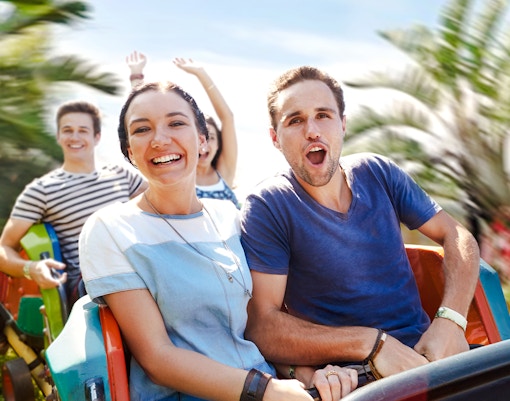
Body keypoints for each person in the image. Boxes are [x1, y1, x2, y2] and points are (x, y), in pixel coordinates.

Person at [78, 81, 358, 401]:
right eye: (142, 130)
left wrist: (304, 373)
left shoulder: (230, 216)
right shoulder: (109, 229)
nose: (159, 139)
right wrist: (265, 390)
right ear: (129, 150)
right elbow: (156, 357)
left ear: (202, 140)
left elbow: (254, 325)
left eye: (176, 123)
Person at [240, 66, 480, 383]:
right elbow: (262, 326)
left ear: (342, 124)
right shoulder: (268, 205)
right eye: (295, 120)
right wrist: (370, 343)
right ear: (275, 137)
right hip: (353, 377)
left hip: (429, 354)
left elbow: (456, 235)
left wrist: (450, 321)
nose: (312, 130)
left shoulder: (378, 171)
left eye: (323, 115)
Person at [0, 100, 147, 308]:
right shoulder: (41, 190)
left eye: (83, 130)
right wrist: (31, 268)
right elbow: (3, 248)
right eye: (68, 130)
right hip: (89, 284)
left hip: (137, 268)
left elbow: (163, 203)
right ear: (59, 136)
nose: (75, 137)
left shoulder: (123, 175)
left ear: (96, 137)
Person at [126, 51, 240, 207]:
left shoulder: (224, 172)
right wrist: (136, 76)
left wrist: (201, 73)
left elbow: (228, 118)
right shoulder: (178, 177)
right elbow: (140, 112)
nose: (204, 143)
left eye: (211, 137)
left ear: (219, 144)